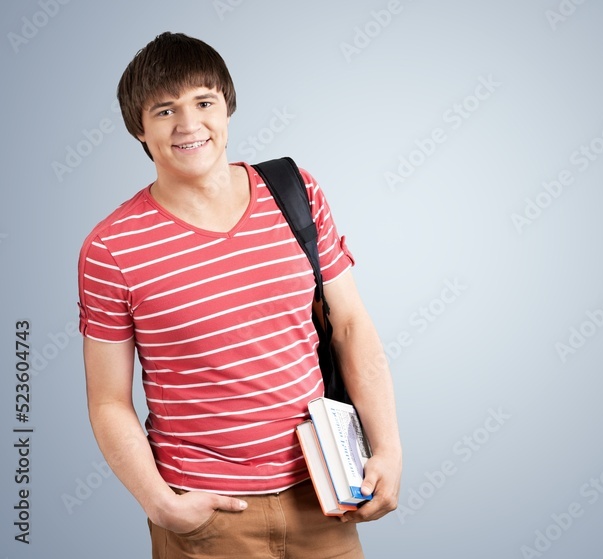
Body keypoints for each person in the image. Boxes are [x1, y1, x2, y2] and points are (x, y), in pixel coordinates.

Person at [77, 32, 401, 558]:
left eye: (204, 102)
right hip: (205, 514)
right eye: (164, 111)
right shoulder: (111, 248)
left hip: (322, 498)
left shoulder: (296, 192)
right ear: (139, 127)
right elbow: (109, 400)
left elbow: (350, 326)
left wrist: (387, 448)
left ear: (226, 107)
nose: (188, 125)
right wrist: (161, 505)